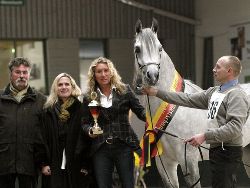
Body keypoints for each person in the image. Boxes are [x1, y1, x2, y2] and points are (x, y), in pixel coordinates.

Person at [142, 55, 250, 188]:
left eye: (218, 67)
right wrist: (157, 92)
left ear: (229, 71)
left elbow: (234, 127)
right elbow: (187, 99)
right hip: (217, 148)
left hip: (228, 149)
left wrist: (205, 136)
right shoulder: (214, 92)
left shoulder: (236, 95)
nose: (213, 69)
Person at [81, 57, 146, 188]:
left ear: (112, 72)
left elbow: (141, 112)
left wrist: (155, 118)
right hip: (100, 148)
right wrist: (90, 130)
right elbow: (84, 123)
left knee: (128, 185)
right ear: (94, 74)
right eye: (99, 71)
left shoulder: (125, 90)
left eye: (106, 70)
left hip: (124, 146)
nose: (103, 74)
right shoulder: (89, 97)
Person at [41, 73, 94, 188]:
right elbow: (43, 138)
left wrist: (86, 164)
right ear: (56, 88)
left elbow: (87, 140)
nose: (63, 87)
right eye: (60, 85)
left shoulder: (81, 109)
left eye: (67, 84)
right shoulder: (48, 111)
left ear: (72, 87)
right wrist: (44, 163)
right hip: (54, 164)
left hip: (77, 164)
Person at [0, 57, 47, 188]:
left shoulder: (41, 100)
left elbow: (44, 133)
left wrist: (43, 161)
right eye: (17, 72)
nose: (21, 76)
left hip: (30, 161)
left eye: (25, 72)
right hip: (3, 161)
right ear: (10, 74)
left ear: (29, 74)